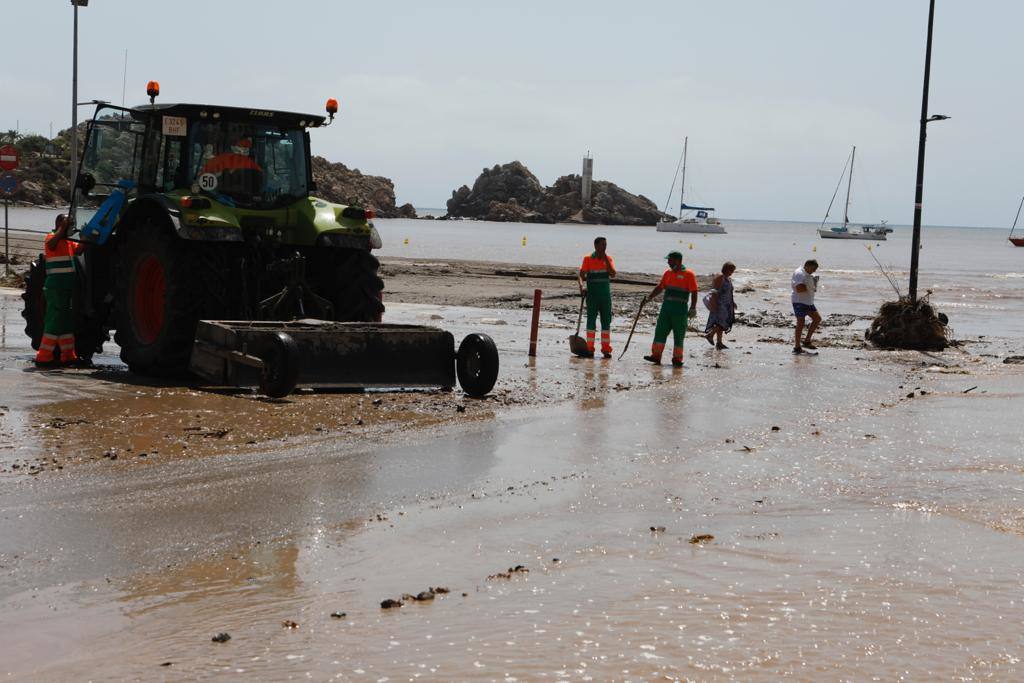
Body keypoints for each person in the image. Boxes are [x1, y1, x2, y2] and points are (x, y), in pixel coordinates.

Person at [35, 214, 82, 366]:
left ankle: (68, 355)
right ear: (60, 224)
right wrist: (62, 228)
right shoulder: (51, 237)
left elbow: (79, 250)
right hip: (55, 287)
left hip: (66, 287)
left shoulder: (68, 241)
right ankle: (44, 356)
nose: (70, 227)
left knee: (65, 323)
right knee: (54, 321)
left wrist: (89, 235)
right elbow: (52, 245)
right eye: (67, 223)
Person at [643, 251, 698, 367]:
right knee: (660, 332)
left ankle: (677, 359)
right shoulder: (668, 273)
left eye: (670, 260)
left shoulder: (689, 274)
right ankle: (656, 356)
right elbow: (660, 287)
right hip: (666, 309)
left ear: (678, 260)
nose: (668, 262)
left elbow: (694, 292)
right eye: (668, 260)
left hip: (680, 310)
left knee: (679, 335)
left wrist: (693, 307)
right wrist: (649, 298)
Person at [578, 236, 617, 358]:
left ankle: (606, 349)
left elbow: (613, 274)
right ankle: (590, 349)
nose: (604, 247)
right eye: (602, 245)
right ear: (595, 246)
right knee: (591, 322)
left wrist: (605, 259)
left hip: (605, 297)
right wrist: (581, 287)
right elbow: (580, 275)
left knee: (606, 322)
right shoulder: (588, 259)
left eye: (605, 245)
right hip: (592, 296)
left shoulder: (608, 259)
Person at [703, 261, 737, 350]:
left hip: (727, 304)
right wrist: (713, 303)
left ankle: (719, 342)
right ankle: (710, 335)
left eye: (733, 271)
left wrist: (733, 303)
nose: (732, 272)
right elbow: (714, 291)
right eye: (731, 270)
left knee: (721, 323)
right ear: (726, 269)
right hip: (720, 304)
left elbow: (729, 292)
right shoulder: (720, 278)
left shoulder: (728, 279)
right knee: (721, 323)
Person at [792, 258, 822, 354]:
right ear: (807, 266)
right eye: (813, 269)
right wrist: (811, 286)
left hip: (808, 301)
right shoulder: (799, 273)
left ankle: (807, 341)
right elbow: (799, 289)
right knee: (800, 323)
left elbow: (810, 287)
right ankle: (797, 347)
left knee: (817, 319)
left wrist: (813, 283)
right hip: (799, 301)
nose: (814, 271)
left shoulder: (808, 274)